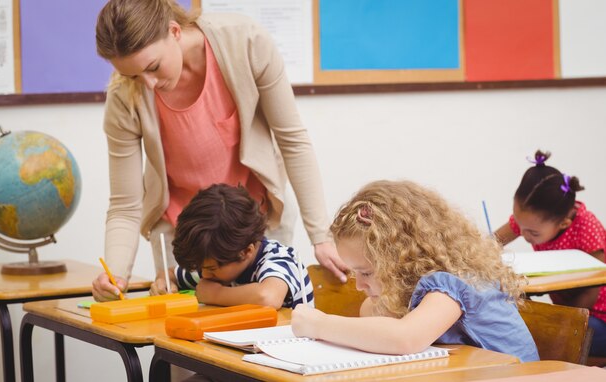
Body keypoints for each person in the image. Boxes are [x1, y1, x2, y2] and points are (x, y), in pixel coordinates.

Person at [91, 0, 347, 301]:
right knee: (185, 338)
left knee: (261, 329)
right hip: (183, 235)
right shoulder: (124, 96)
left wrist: (321, 236)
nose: (147, 85)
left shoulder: (245, 42)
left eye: (153, 67)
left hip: (252, 225)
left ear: (174, 31)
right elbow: (125, 203)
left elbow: (292, 140)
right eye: (133, 76)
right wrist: (116, 276)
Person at [291, 180, 539, 362]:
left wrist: (320, 325)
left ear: (401, 260)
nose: (359, 286)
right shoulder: (421, 286)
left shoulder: (453, 284)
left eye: (366, 273)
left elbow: (405, 338)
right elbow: (369, 313)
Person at [494, 150, 606, 356]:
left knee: (544, 334)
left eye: (533, 233)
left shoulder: (587, 227)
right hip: (568, 310)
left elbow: (594, 286)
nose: (524, 234)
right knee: (515, 325)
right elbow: (491, 243)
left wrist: (557, 320)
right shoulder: (532, 221)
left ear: (564, 223)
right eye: (519, 225)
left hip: (598, 318)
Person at [149, 183, 313, 308]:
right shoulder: (215, 263)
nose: (204, 275)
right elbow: (170, 273)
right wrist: (164, 282)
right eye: (202, 268)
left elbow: (268, 297)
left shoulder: (279, 258)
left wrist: (215, 294)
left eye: (211, 269)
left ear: (246, 251)